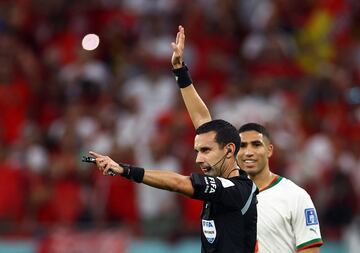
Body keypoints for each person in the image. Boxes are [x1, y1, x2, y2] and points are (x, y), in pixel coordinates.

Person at [171, 25, 323, 253]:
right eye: (243, 145)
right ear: (232, 150)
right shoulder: (225, 189)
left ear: (270, 150)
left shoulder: (295, 196)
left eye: (256, 144)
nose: (249, 151)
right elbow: (202, 120)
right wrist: (180, 72)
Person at [89, 119, 258, 253]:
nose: (198, 159)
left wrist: (124, 170)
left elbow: (178, 183)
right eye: (197, 151)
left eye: (205, 150)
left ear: (229, 151)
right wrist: (182, 76)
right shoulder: (223, 183)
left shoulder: (237, 189)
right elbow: (203, 120)